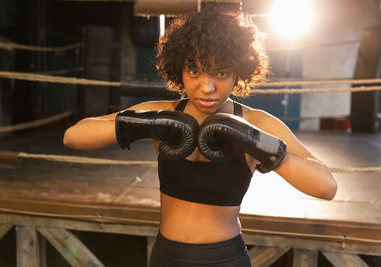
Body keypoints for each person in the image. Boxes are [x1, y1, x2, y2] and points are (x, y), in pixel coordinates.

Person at [63, 8, 337, 267]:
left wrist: (255, 142)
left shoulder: (255, 122)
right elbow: (73, 137)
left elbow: (326, 187)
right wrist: (146, 124)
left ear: (238, 72)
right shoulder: (165, 113)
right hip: (165, 257)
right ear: (179, 69)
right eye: (194, 71)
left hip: (225, 259)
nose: (207, 87)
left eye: (221, 73)